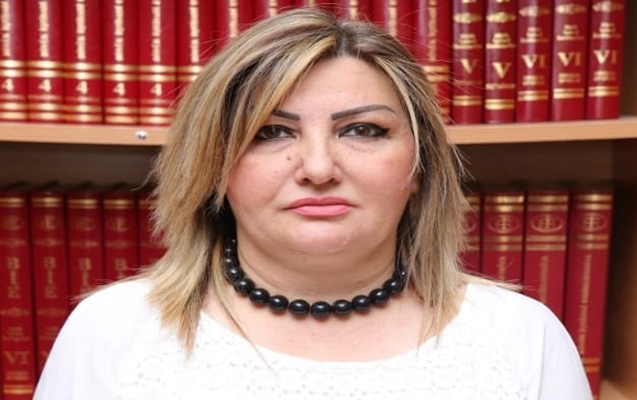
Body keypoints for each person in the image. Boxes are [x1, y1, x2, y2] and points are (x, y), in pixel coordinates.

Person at [34, 8, 592, 400]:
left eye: (364, 130)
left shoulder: (521, 337)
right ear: (214, 168)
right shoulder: (111, 332)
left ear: (420, 167)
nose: (319, 168)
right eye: (270, 132)